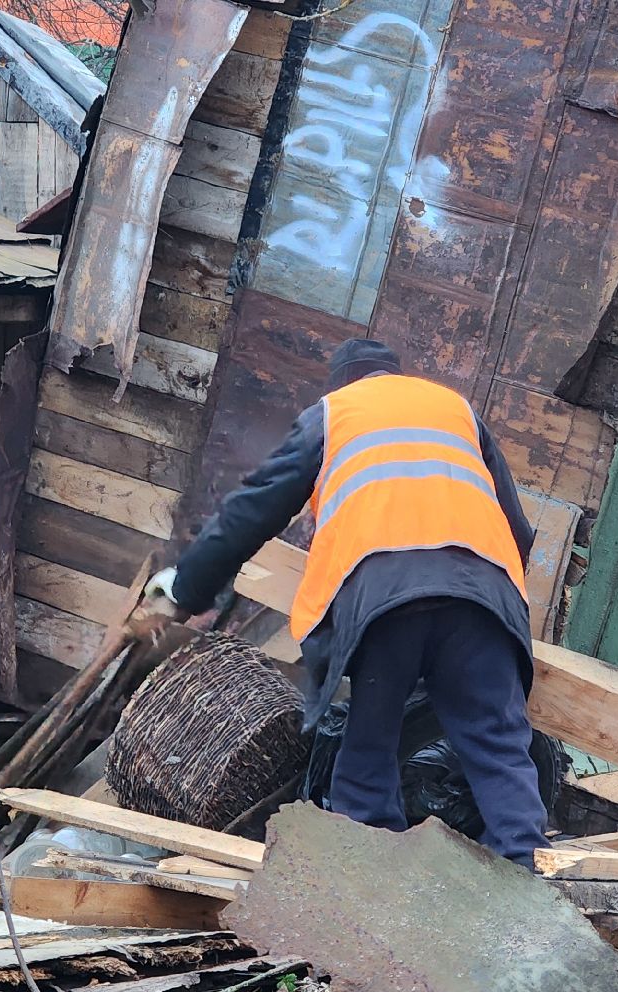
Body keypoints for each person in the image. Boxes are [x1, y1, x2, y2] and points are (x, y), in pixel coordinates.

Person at [137, 338, 551, 867]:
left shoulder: (330, 416)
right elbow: (516, 530)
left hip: (384, 607)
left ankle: (371, 885)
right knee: (499, 753)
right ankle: (531, 893)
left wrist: (184, 590)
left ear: (341, 383)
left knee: (368, 753)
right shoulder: (456, 409)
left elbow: (250, 512)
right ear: (393, 374)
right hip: (483, 598)